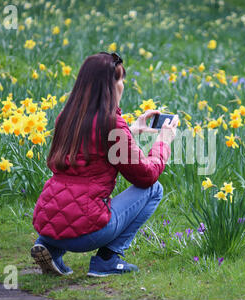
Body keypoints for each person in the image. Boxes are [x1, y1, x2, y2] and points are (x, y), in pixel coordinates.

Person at [31, 52, 178, 277]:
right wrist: (163, 142)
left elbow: (94, 142)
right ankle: (107, 259)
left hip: (46, 223)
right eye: (119, 79)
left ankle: (50, 247)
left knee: (69, 198)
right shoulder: (111, 124)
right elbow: (145, 176)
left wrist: (131, 129)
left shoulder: (66, 116)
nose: (123, 85)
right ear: (108, 86)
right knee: (153, 189)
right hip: (86, 233)